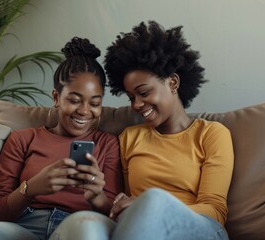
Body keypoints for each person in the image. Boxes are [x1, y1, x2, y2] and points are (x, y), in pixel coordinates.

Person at [52, 21, 234, 240]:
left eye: (144, 93)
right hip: (140, 227)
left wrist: (150, 204)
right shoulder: (130, 137)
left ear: (173, 83)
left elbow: (215, 210)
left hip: (200, 228)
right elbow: (123, 200)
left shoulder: (212, 134)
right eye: (131, 97)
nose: (137, 104)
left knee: (153, 200)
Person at [0, 37, 123, 240]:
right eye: (74, 100)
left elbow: (116, 218)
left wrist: (98, 197)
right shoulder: (22, 139)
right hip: (26, 227)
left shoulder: (108, 144)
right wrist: (30, 189)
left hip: (78, 226)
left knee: (88, 232)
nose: (84, 111)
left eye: (95, 103)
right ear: (56, 98)